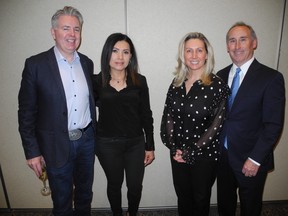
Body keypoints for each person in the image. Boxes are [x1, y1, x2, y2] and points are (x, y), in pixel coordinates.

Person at [18, 6, 96, 216]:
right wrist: (32, 151)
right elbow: (26, 112)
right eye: (66, 28)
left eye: (77, 29)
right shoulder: (35, 65)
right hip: (54, 144)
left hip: (86, 141)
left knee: (84, 195)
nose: (72, 34)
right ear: (54, 32)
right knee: (61, 200)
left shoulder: (87, 63)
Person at [216, 22, 285, 216]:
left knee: (250, 208)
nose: (237, 46)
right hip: (223, 157)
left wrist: (255, 159)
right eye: (232, 41)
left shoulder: (271, 78)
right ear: (227, 46)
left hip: (251, 159)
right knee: (224, 205)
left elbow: (273, 125)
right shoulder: (219, 76)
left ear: (254, 42)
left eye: (243, 39)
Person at [160, 32, 230, 216]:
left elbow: (216, 126)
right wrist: (174, 147)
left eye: (199, 50)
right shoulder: (176, 83)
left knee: (200, 200)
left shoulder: (218, 86)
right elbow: (168, 116)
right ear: (183, 55)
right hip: (178, 152)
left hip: (204, 155)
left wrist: (192, 151)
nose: (194, 55)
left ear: (207, 54)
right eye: (189, 50)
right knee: (183, 197)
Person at [92, 33, 155, 216]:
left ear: (131, 56)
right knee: (114, 184)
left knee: (135, 186)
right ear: (107, 54)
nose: (120, 57)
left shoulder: (139, 81)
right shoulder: (96, 82)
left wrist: (149, 146)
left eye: (125, 52)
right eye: (115, 51)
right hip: (107, 144)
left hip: (135, 143)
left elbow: (146, 114)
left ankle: (132, 213)